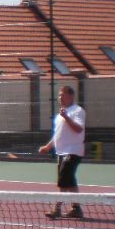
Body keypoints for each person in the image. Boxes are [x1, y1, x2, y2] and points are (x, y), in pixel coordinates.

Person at [38, 85, 86, 219]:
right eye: (59, 95)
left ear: (71, 96)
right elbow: (58, 134)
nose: (60, 97)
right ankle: (76, 209)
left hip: (72, 151)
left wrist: (67, 117)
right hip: (61, 152)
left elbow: (79, 129)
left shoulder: (78, 111)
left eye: (62, 95)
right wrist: (48, 147)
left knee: (64, 179)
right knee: (69, 181)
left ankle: (57, 209)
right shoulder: (60, 114)